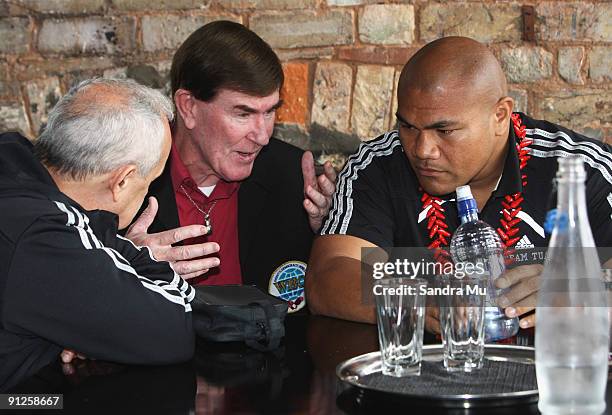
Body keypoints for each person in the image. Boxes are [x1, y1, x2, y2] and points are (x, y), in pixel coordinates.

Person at [306, 36, 612, 330]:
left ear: (500, 115)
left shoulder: (581, 169)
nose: (422, 150)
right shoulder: (380, 165)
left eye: (445, 130)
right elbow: (327, 277)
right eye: (408, 126)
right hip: (420, 376)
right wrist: (416, 301)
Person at [125, 21, 336, 313]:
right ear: (188, 107)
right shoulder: (124, 178)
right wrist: (123, 265)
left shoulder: (295, 179)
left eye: (270, 111)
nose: (262, 136)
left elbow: (334, 300)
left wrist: (328, 234)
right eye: (243, 113)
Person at [0, 78, 195, 392]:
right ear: (122, 181)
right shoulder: (43, 234)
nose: (148, 193)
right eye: (151, 181)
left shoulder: (12, 169)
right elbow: (175, 327)